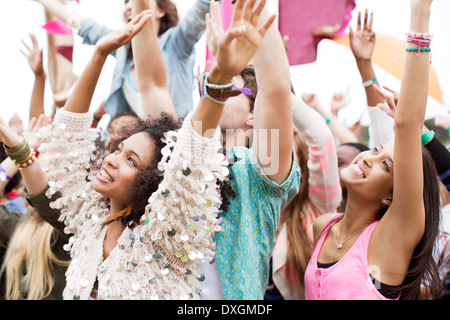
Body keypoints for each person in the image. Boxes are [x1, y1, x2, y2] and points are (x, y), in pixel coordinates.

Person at [0, 0, 274, 300]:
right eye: (118, 150)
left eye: (131, 159)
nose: (112, 159)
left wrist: (219, 78)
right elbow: (67, 142)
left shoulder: (162, 237)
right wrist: (100, 55)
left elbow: (191, 161)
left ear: (155, 185)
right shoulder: (90, 220)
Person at [304, 0, 443, 300]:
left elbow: (406, 124)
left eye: (385, 165)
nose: (368, 158)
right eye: (376, 150)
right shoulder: (322, 226)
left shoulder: (391, 239)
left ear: (391, 196)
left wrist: (420, 12)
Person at [204, 0, 300, 300]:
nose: (215, 89)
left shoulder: (260, 167)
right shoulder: (187, 154)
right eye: (211, 82)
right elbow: (152, 85)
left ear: (253, 114)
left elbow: (275, 88)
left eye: (228, 84)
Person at [33, 0, 221, 120]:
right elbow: (80, 23)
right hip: (132, 154)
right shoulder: (122, 50)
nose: (129, 5)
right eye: (126, 2)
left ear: (161, 11)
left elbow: (204, 6)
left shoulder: (177, 43)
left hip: (172, 148)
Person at [266, 93, 341, 300]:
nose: (276, 161)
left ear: (303, 170)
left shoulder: (317, 208)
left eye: (287, 155)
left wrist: (276, 87)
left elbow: (321, 139)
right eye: (270, 152)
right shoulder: (256, 206)